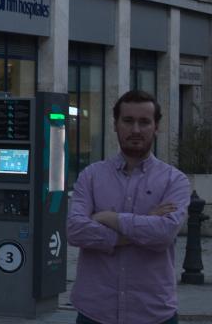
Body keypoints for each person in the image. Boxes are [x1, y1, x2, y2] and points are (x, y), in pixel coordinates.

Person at [67, 90, 191, 324]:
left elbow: (164, 234)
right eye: (128, 121)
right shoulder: (91, 176)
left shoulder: (174, 181)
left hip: (153, 313)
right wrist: (145, 221)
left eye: (144, 122)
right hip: (95, 312)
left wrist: (108, 217)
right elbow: (75, 230)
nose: (135, 130)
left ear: (156, 127)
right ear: (115, 124)